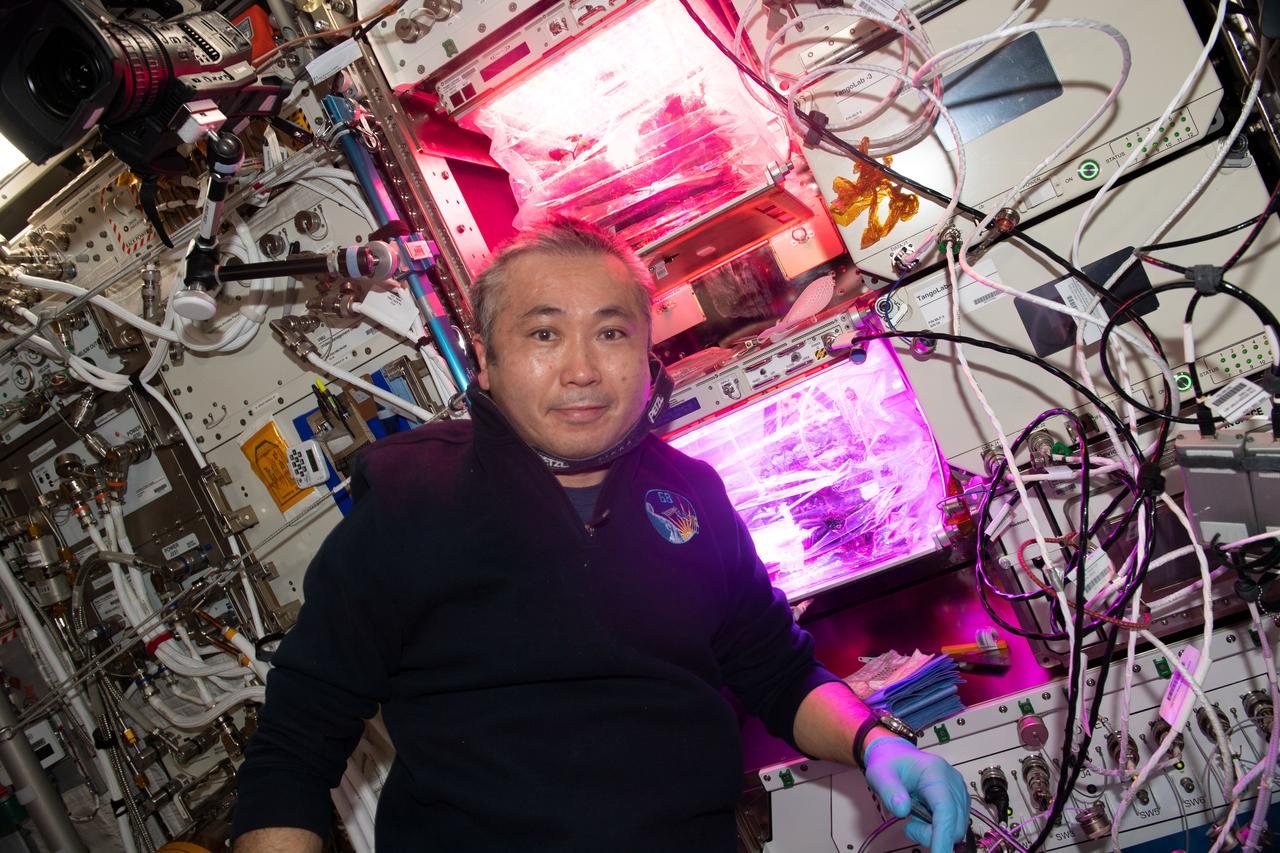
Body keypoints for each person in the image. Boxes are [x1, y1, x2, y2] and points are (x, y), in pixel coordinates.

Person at [231, 218, 968, 853]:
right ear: (485, 359)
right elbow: (294, 749)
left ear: (647, 355)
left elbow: (779, 674)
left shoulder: (692, 494)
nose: (582, 370)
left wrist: (877, 742)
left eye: (611, 333)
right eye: (544, 333)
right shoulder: (411, 501)